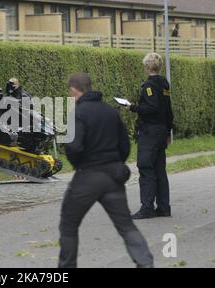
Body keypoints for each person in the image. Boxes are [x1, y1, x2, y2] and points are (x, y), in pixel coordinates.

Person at [59, 72, 154, 268]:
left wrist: (80, 165)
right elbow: (125, 146)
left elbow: (73, 147)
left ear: (74, 90)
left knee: (69, 223)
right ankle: (146, 263)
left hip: (87, 177)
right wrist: (115, 162)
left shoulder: (77, 113)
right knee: (125, 224)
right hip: (113, 176)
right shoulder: (111, 112)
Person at [128, 53, 174, 220]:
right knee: (159, 169)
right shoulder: (164, 84)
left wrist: (133, 107)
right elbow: (168, 110)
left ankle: (147, 207)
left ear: (147, 67)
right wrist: (168, 131)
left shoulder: (149, 86)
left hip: (149, 132)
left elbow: (152, 108)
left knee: (146, 167)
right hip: (161, 131)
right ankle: (163, 207)